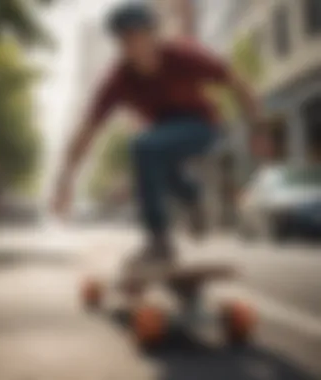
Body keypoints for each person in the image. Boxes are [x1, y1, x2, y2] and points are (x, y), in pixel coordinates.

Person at [53, 3, 263, 268]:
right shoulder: (118, 79)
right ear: (119, 44)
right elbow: (87, 129)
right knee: (152, 155)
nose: (135, 48)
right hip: (163, 134)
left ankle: (159, 242)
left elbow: (237, 82)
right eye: (126, 41)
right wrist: (65, 180)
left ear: (154, 35)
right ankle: (193, 196)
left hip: (202, 126)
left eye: (139, 37)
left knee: (144, 147)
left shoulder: (183, 55)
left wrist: (257, 129)